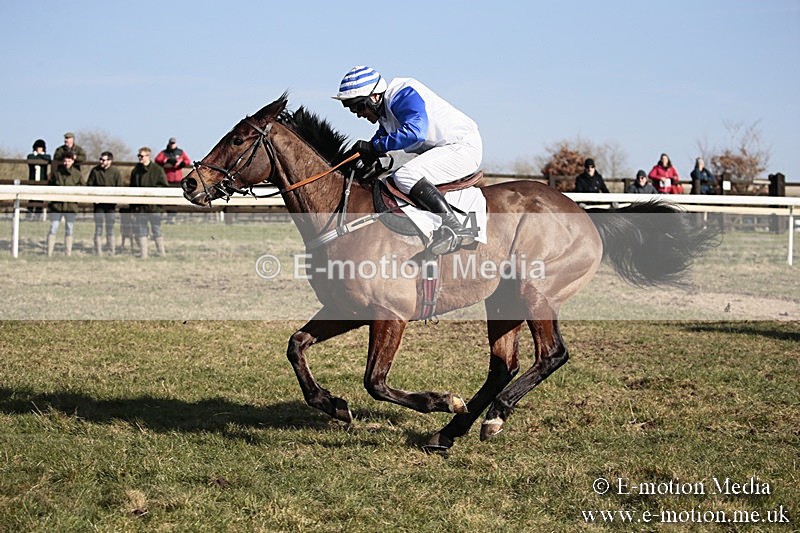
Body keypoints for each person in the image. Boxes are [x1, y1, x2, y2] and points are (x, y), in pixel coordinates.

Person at [333, 65, 482, 256]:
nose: (358, 113)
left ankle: (455, 227)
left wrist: (374, 147)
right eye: (351, 108)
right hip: (448, 148)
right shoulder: (386, 114)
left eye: (359, 106)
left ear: (375, 97)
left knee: (406, 175)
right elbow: (380, 140)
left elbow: (415, 132)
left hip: (463, 148)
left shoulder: (402, 94)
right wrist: (364, 154)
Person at [45, 150, 86, 257]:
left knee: (69, 229)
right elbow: (50, 187)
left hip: (71, 206)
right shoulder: (57, 173)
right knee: (53, 228)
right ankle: (49, 253)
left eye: (69, 160)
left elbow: (83, 188)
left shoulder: (77, 174)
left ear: (73, 161)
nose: (66, 163)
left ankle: (68, 253)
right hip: (57, 206)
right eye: (65, 160)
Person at [129, 147, 168, 258]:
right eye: (139, 156)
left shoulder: (157, 170)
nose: (140, 158)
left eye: (142, 156)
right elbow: (132, 188)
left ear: (148, 156)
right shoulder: (135, 171)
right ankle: (144, 254)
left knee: (156, 229)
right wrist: (133, 207)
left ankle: (161, 253)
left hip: (154, 207)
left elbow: (164, 186)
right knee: (141, 230)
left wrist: (153, 195)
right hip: (140, 207)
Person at [87, 151, 122, 255]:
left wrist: (115, 199)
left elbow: (119, 187)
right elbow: (89, 185)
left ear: (110, 161)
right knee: (98, 227)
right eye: (100, 159)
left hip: (110, 205)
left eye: (104, 160)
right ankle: (98, 251)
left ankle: (111, 250)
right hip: (98, 204)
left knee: (110, 227)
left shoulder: (115, 172)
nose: (101, 161)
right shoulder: (95, 171)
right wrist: (94, 198)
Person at [26, 139, 51, 219]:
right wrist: (39, 156)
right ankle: (28, 216)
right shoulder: (31, 156)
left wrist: (39, 155)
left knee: (40, 199)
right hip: (32, 181)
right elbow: (30, 158)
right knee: (31, 199)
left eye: (41, 148)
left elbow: (48, 158)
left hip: (42, 181)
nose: (39, 149)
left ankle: (38, 217)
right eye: (38, 147)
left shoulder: (45, 156)